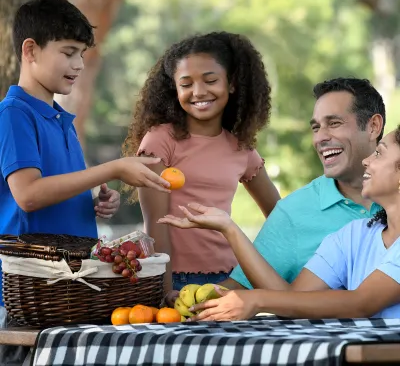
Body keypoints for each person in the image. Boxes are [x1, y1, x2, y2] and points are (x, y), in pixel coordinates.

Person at [0, 0, 171, 308]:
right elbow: (28, 195)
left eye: (81, 53)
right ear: (30, 50)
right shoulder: (14, 114)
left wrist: (92, 201)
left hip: (69, 287)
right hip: (28, 293)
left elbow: (54, 191)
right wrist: (113, 169)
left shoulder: (61, 121)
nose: (79, 64)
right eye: (68, 52)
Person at [159, 126, 400, 320]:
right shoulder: (354, 235)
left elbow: (361, 303)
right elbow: (292, 299)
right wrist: (229, 228)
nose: (367, 161)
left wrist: (256, 300)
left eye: (379, 153)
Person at [122, 32, 281, 291]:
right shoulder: (160, 141)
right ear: (175, 89)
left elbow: (279, 216)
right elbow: (156, 223)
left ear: (231, 84)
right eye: (186, 84)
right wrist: (164, 290)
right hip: (177, 280)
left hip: (231, 281)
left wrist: (252, 268)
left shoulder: (241, 148)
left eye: (210, 80)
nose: (198, 92)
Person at [223, 77, 386, 290]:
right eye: (316, 127)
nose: (320, 138)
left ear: (373, 126)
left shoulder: (393, 199)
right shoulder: (293, 213)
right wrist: (188, 301)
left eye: (334, 123)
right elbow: (239, 290)